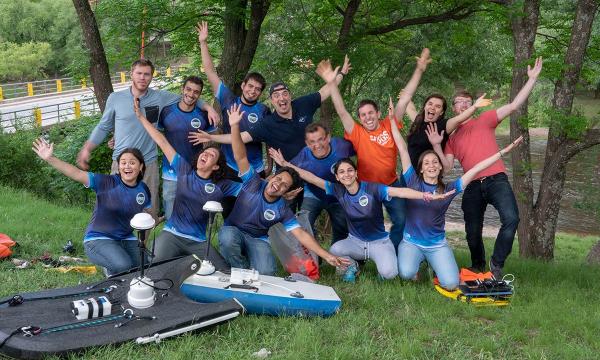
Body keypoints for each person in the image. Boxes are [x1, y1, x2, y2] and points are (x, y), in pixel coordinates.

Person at [389, 96, 523, 288]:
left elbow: (476, 169)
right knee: (406, 272)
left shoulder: (449, 189)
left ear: (440, 168)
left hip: (436, 245)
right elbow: (402, 147)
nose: (432, 165)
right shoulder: (411, 181)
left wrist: (504, 152)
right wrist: (392, 119)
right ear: (420, 168)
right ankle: (417, 260)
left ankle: (438, 262)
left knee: (451, 284)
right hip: (412, 242)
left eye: (435, 162)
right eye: (427, 163)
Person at [270, 150, 454, 281]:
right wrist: (286, 165)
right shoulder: (337, 190)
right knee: (335, 250)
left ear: (356, 173)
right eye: (341, 172)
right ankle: (353, 267)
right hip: (355, 242)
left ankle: (388, 266)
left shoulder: (373, 188)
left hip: (379, 242)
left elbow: (401, 192)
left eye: (350, 170)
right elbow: (311, 178)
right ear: (338, 177)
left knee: (390, 273)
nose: (346, 174)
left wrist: (425, 195)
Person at [316, 49, 430, 251]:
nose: (367, 117)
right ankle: (360, 255)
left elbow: (406, 98)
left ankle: (392, 252)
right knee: (364, 223)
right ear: (359, 118)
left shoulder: (390, 124)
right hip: (366, 188)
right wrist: (331, 83)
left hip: (391, 184)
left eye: (371, 113)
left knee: (402, 221)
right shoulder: (357, 132)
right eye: (363, 115)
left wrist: (419, 70)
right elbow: (341, 110)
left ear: (378, 113)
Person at [76, 58, 219, 219]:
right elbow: (103, 126)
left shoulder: (160, 97)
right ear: (131, 74)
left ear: (152, 76)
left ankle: (142, 244)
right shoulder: (115, 98)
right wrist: (87, 148)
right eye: (139, 73)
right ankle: (116, 241)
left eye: (147, 74)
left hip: (148, 164)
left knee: (148, 212)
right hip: (120, 161)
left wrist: (208, 108)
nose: (142, 77)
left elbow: (189, 96)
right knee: (114, 207)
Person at [440, 57, 543, 277]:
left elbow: (514, 105)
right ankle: (478, 265)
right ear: (454, 107)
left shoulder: (486, 119)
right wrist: (433, 145)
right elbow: (447, 168)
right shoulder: (451, 137)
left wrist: (532, 79)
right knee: (472, 231)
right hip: (473, 185)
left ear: (473, 106)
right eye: (459, 101)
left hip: (496, 179)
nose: (464, 104)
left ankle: (496, 265)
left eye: (467, 101)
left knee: (511, 218)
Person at [218, 103, 349, 275]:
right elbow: (240, 155)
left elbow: (301, 235)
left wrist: (326, 255)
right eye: (278, 179)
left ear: (286, 192)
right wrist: (234, 125)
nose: (277, 184)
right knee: (227, 239)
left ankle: (251, 265)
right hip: (234, 230)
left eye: (284, 185)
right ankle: (240, 271)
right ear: (273, 176)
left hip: (258, 239)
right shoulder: (253, 182)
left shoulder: (282, 209)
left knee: (267, 273)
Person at [134, 98, 239, 269]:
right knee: (151, 268)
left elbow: (254, 188)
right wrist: (140, 117)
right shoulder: (184, 170)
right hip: (172, 234)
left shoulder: (224, 185)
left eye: (211, 155)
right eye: (205, 152)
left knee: (223, 271)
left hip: (197, 241)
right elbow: (162, 141)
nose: (205, 155)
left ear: (216, 166)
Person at [188, 56, 351, 162]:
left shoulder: (302, 104)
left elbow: (325, 91)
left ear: (290, 96)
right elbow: (241, 137)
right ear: (272, 100)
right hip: (285, 173)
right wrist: (211, 136)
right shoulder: (268, 122)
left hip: (313, 167)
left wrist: (342, 73)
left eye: (284, 94)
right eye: (277, 96)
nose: (281, 98)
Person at [33, 138, 150, 276]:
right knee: (123, 266)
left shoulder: (144, 190)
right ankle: (109, 268)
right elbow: (76, 173)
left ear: (141, 166)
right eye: (123, 163)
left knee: (145, 265)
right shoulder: (106, 182)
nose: (127, 166)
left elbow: (144, 214)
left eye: (132, 163)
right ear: (118, 167)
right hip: (99, 238)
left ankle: (117, 258)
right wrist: (50, 158)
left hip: (126, 238)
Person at [196, 21, 271, 178]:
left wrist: (269, 165)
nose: (253, 91)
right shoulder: (228, 99)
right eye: (250, 86)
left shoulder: (263, 110)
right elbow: (210, 72)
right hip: (229, 166)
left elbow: (269, 141)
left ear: (261, 93)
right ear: (243, 85)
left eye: (258, 89)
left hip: (255, 169)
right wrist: (203, 42)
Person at [268, 123, 355, 243]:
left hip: (338, 196)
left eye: (321, 139)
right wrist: (282, 191)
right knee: (304, 224)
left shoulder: (342, 146)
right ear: (308, 144)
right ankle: (314, 258)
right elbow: (288, 174)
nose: (317, 145)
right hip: (314, 193)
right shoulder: (303, 157)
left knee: (342, 229)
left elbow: (363, 150)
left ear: (328, 138)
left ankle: (341, 255)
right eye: (312, 142)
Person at [158, 75, 218, 220]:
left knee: (194, 213)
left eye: (196, 92)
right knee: (170, 213)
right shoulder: (166, 112)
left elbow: (210, 142)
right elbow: (156, 135)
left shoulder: (204, 115)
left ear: (200, 94)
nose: (191, 94)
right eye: (188, 89)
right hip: (170, 172)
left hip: (195, 173)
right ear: (182, 89)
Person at [401, 93, 492, 168]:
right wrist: (406, 94)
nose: (433, 107)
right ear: (425, 106)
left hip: (428, 177)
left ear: (441, 112)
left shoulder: (443, 125)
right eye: (430, 104)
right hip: (408, 174)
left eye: (438, 106)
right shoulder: (418, 120)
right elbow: (410, 108)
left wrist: (475, 106)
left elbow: (459, 119)